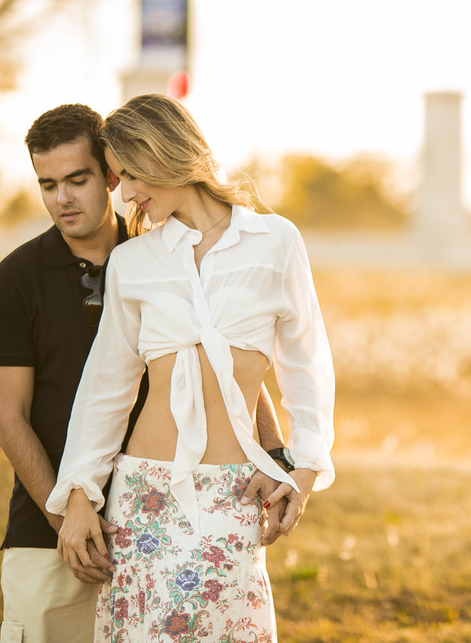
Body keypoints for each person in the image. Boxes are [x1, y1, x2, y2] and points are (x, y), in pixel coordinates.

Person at [0, 104, 292, 643]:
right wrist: (70, 521)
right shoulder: (18, 276)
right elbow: (8, 417)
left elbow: (226, 362)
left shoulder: (168, 248)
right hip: (51, 523)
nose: (63, 198)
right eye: (48, 184)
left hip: (159, 515)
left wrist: (278, 450)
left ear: (111, 174)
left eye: (78, 179)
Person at [45, 93, 335, 642]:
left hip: (235, 497)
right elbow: (106, 387)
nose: (125, 193)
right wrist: (81, 492)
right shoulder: (134, 262)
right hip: (144, 497)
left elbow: (307, 364)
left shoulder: (276, 242)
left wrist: (305, 464)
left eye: (129, 173)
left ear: (164, 152)